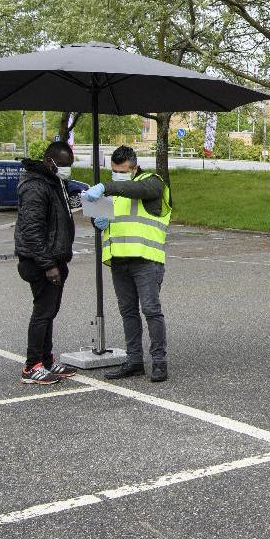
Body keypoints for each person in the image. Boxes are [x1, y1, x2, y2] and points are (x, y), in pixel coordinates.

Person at [84, 146, 172, 382]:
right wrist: (98, 221)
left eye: (122, 171)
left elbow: (137, 190)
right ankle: (134, 361)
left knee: (151, 310)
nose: (117, 175)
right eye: (114, 171)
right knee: (128, 313)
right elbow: (103, 217)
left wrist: (106, 186)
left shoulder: (152, 182)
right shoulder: (112, 190)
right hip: (119, 259)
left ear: (135, 168)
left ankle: (159, 362)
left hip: (146, 259)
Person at [15, 141, 79, 384]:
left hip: (54, 259)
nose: (66, 169)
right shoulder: (35, 186)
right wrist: (48, 265)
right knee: (43, 313)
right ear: (48, 161)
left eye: (69, 165)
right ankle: (32, 366)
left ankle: (46, 360)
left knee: (49, 312)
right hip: (40, 262)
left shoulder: (54, 182)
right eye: (63, 164)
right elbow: (32, 230)